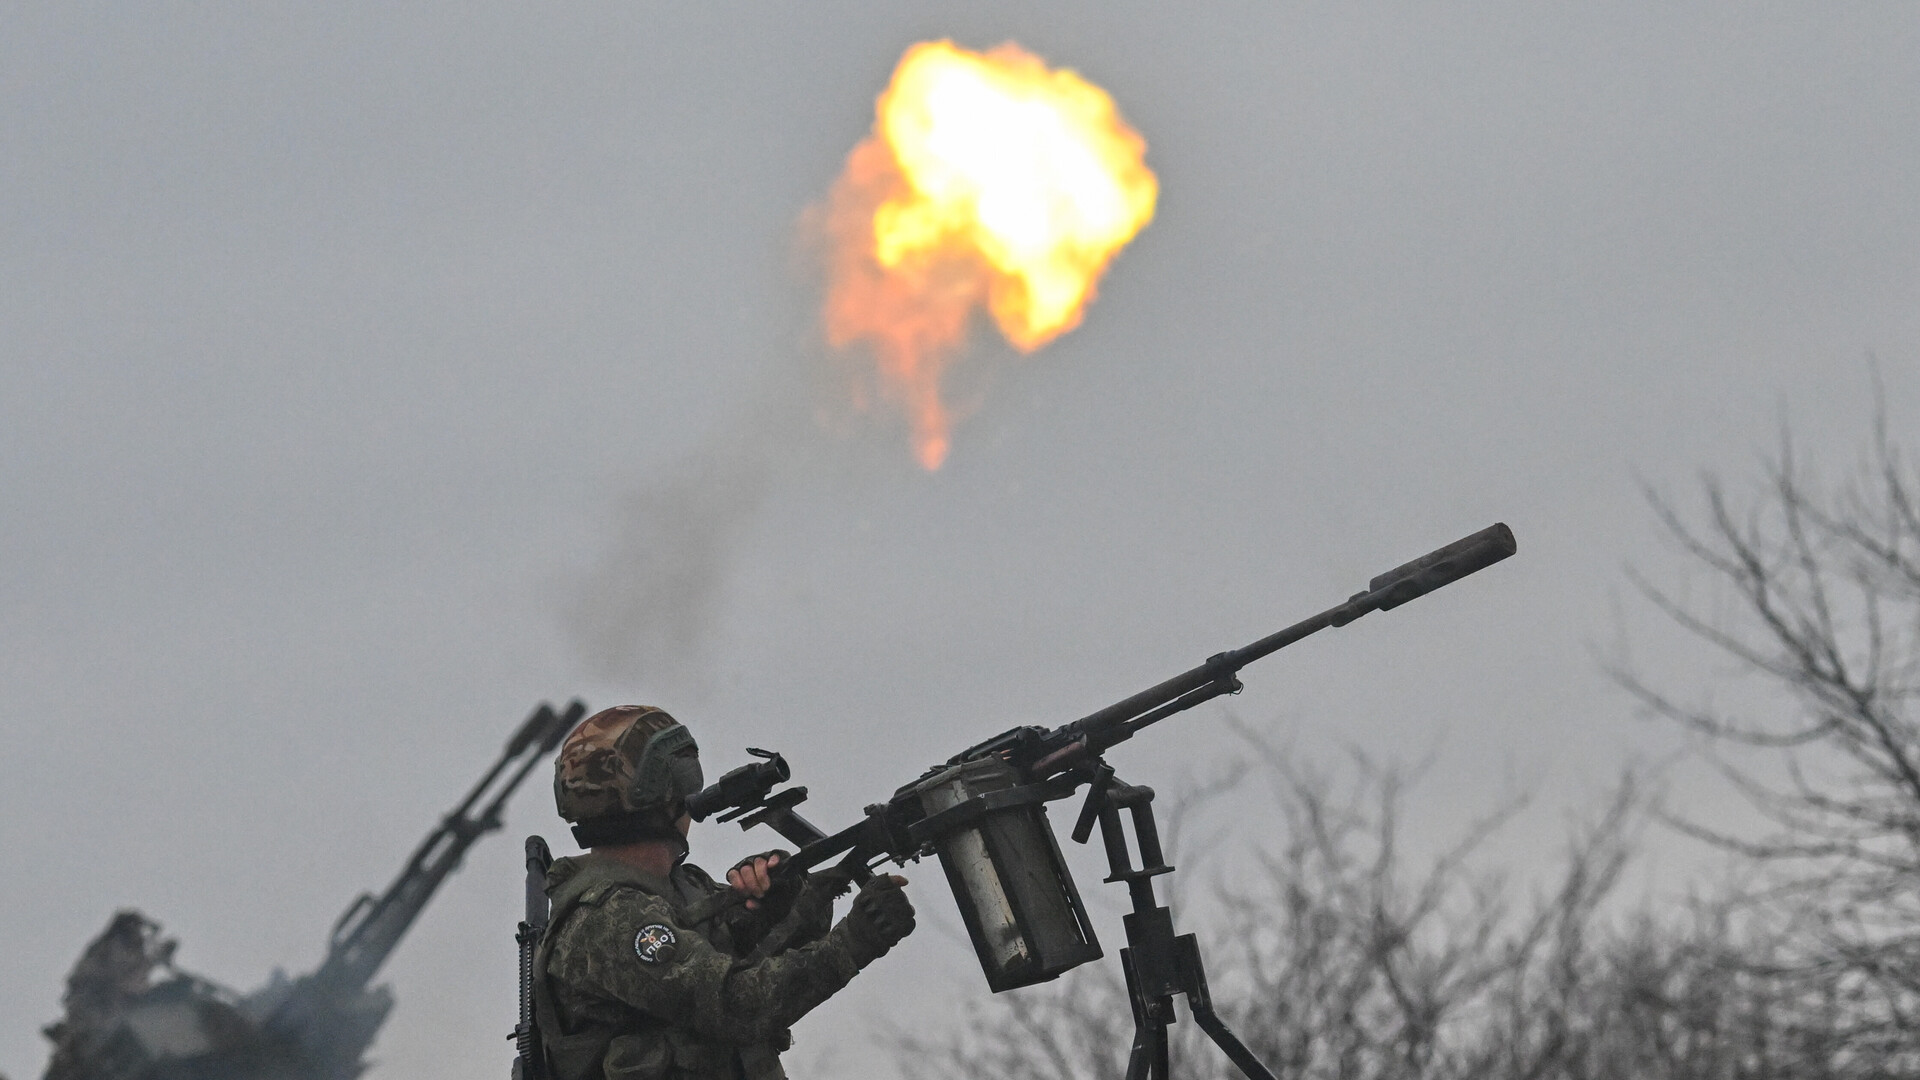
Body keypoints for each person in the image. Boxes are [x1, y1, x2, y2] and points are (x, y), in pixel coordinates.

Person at [533, 705, 915, 1080]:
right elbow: (738, 1005)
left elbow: (764, 958)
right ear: (659, 792)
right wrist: (855, 941)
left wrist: (786, 898)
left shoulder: (682, 887)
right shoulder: (608, 918)